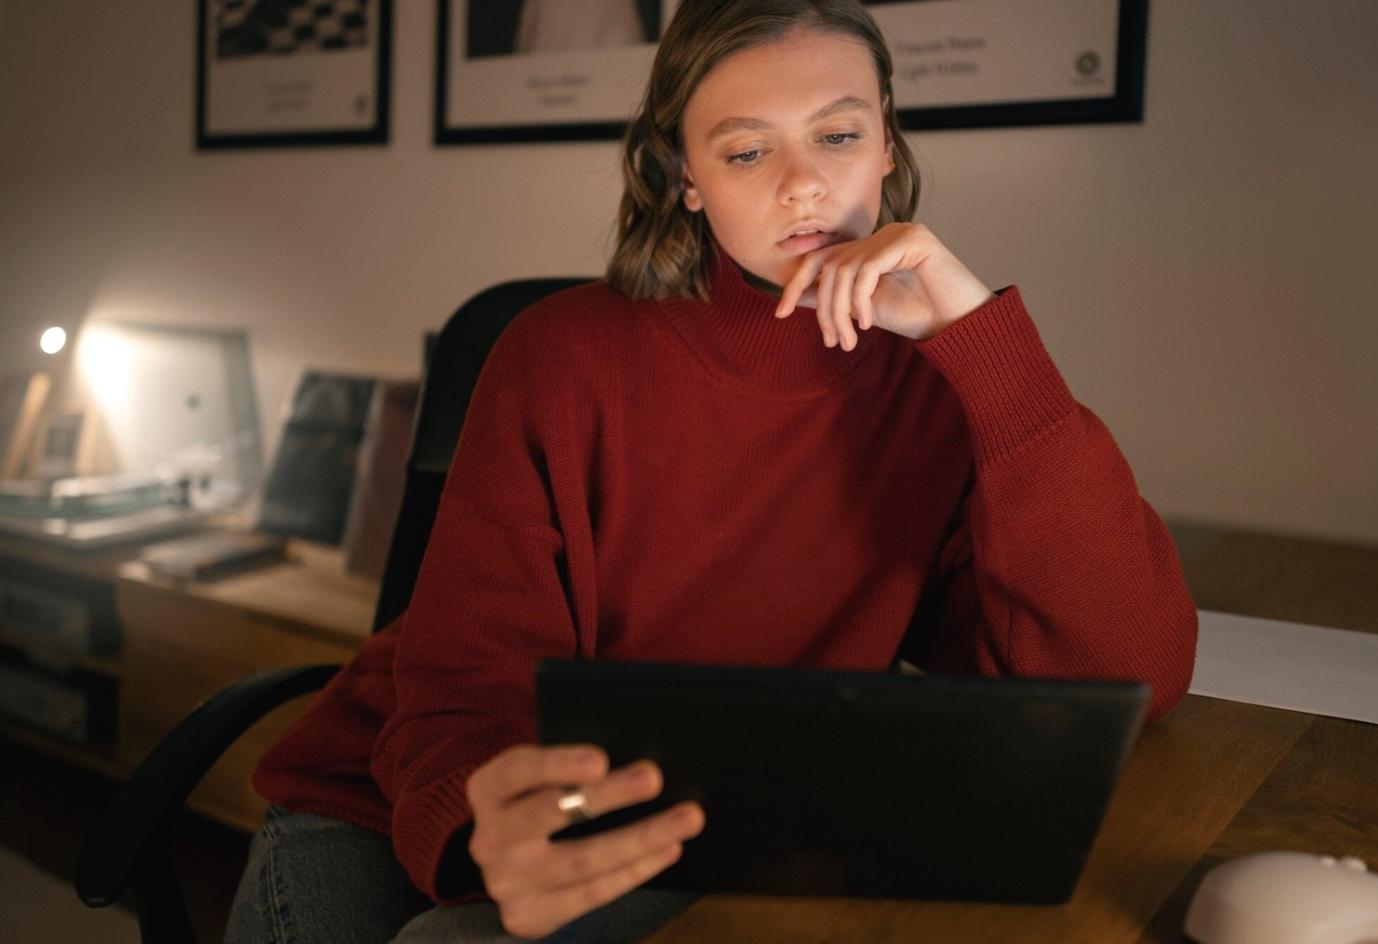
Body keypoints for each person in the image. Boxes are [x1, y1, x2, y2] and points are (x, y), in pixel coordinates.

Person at [226, 1, 1198, 941]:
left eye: (838, 135)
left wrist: (985, 343)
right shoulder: (556, 356)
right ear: (683, 173)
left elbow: (1128, 680)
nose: (803, 186)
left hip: (692, 812)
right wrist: (485, 831)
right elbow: (461, 679)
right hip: (407, 784)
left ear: (888, 144)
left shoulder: (940, 388)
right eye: (744, 150)